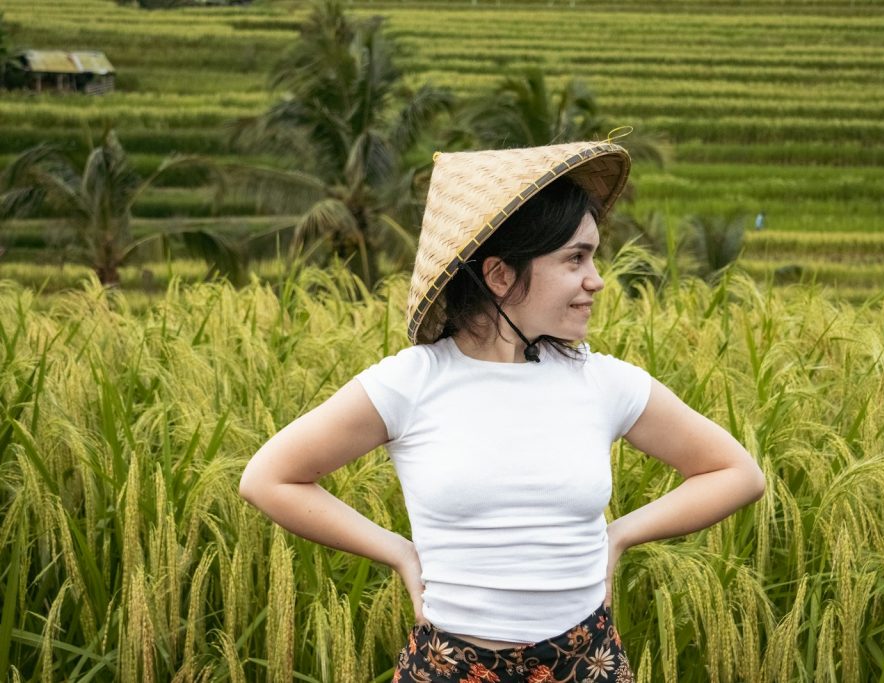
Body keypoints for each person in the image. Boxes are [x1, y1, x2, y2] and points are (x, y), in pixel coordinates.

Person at [238, 140, 766, 682]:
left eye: (593, 257)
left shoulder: (603, 381)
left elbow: (736, 473)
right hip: (449, 667)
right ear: (499, 276)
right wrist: (399, 552)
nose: (596, 279)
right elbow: (269, 478)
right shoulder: (412, 382)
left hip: (584, 663)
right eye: (575, 258)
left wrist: (618, 536)